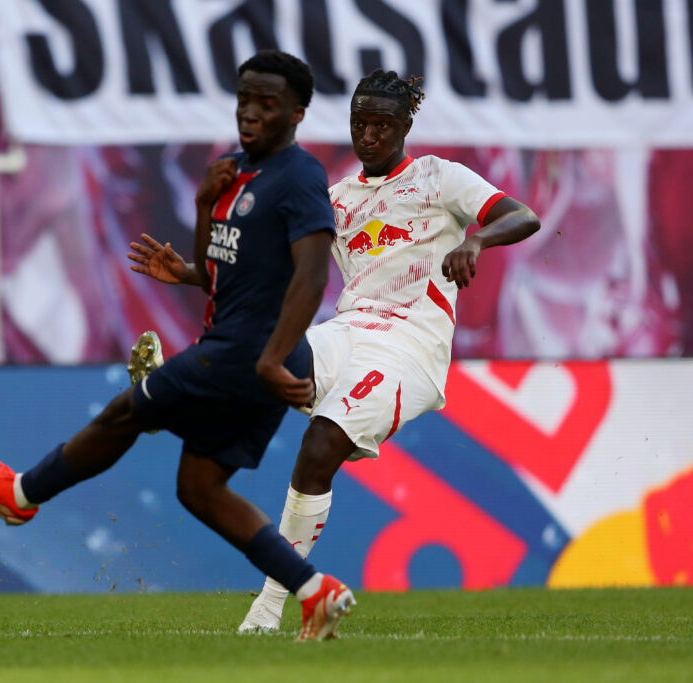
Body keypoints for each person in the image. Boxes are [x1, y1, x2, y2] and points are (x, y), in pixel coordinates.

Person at [0, 50, 356, 641]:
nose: (251, 113)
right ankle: (315, 590)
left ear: (297, 112)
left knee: (126, 411)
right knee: (198, 486)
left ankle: (21, 494)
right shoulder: (231, 169)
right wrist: (193, 244)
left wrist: (270, 356)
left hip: (248, 352)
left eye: (268, 104)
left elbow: (312, 276)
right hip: (247, 351)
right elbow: (229, 261)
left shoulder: (300, 176)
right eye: (245, 99)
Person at [127, 69, 541, 631]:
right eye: (359, 124)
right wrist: (194, 273)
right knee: (258, 358)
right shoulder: (337, 200)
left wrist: (476, 239)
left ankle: (273, 607)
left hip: (408, 348)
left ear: (404, 126)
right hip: (347, 331)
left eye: (382, 125)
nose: (368, 136)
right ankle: (170, 402)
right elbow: (261, 268)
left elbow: (522, 215)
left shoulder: (438, 178)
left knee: (320, 444)